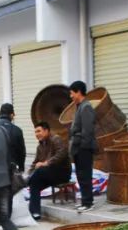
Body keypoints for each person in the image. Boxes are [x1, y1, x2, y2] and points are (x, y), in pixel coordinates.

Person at [26, 121, 71, 221]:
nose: (37, 134)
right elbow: (35, 163)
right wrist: (28, 173)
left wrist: (46, 163)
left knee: (39, 171)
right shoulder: (40, 146)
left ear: (46, 130)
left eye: (39, 131)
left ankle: (26, 182)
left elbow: (62, 154)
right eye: (35, 132)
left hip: (61, 173)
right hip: (48, 174)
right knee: (34, 184)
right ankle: (35, 213)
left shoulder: (56, 139)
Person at [68, 81, 96, 212]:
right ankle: (85, 200)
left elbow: (88, 131)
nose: (71, 96)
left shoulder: (86, 107)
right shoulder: (80, 106)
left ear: (78, 91)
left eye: (72, 93)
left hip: (84, 147)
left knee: (85, 175)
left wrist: (82, 147)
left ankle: (88, 202)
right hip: (78, 147)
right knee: (80, 175)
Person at [0, 103, 26, 174]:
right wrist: (21, 169)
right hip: (10, 170)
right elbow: (21, 152)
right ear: (11, 115)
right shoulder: (17, 130)